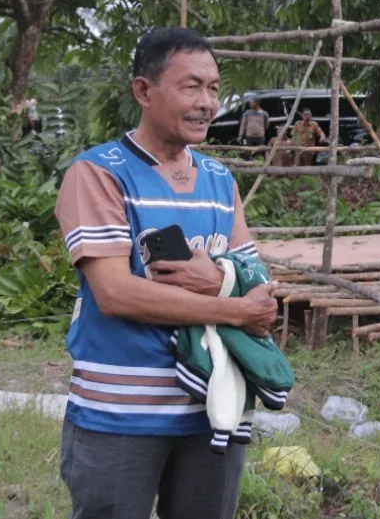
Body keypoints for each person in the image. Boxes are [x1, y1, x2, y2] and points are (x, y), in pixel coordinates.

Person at [54, 27, 278, 519]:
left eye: (215, 88)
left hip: (214, 409)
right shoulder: (99, 174)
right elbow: (114, 293)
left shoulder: (220, 179)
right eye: (191, 86)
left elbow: (258, 281)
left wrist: (225, 285)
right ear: (143, 90)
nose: (206, 103)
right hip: (121, 415)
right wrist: (233, 307)